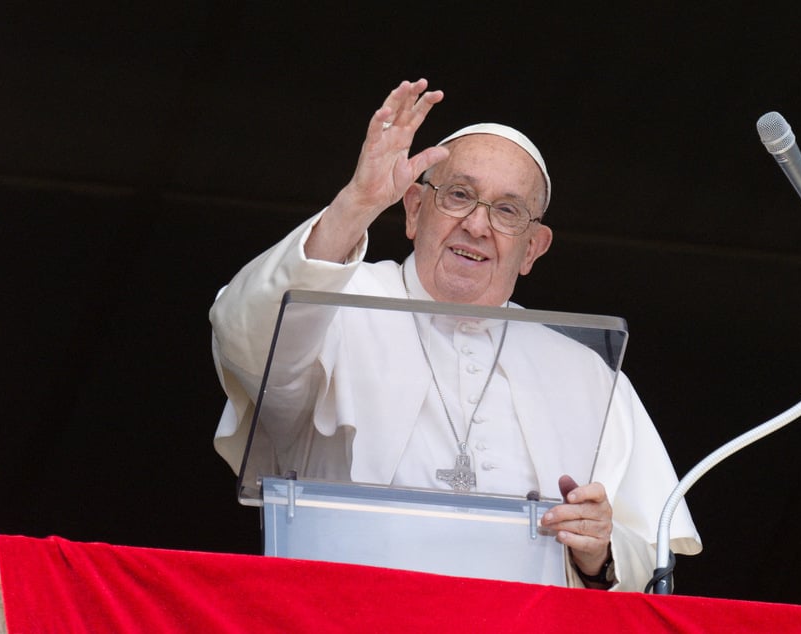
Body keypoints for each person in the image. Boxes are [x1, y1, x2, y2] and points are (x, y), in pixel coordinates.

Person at [209, 79, 701, 591]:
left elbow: (653, 553)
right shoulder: (335, 303)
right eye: (460, 195)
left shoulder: (585, 373)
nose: (477, 225)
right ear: (415, 208)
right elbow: (246, 335)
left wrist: (599, 552)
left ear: (533, 248)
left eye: (508, 211)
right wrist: (356, 203)